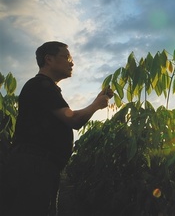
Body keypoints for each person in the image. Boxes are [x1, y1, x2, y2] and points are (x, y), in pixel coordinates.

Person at [0, 41, 113, 216]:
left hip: (39, 168)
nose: (71, 62)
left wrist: (95, 102)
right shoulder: (40, 85)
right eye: (66, 57)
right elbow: (74, 119)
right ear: (49, 60)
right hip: (33, 168)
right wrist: (96, 105)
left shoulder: (45, 88)